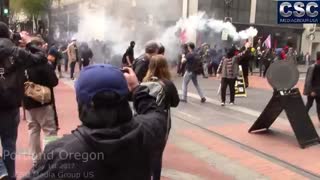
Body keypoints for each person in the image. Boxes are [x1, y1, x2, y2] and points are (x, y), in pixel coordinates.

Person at [22, 65, 167, 180]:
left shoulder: (61, 153)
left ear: (81, 102)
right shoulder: (148, 131)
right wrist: (136, 88)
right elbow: (156, 113)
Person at [0, 21, 48, 180]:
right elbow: (41, 58)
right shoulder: (16, 51)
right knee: (9, 142)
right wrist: (29, 43)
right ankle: (10, 175)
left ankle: (2, 172)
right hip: (11, 104)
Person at [23, 37, 59, 166]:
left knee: (33, 130)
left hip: (28, 101)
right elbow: (54, 81)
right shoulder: (43, 63)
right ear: (38, 46)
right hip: (43, 101)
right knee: (49, 130)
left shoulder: (23, 61)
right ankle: (49, 160)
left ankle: (36, 160)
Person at [143, 55, 180, 180]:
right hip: (162, 121)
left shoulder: (144, 82)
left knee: (145, 153)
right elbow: (175, 102)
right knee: (157, 154)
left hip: (143, 121)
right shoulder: (168, 84)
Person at [304, 52, 320, 124]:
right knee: (309, 104)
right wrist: (311, 90)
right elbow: (309, 80)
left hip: (317, 90)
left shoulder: (313, 66)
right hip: (313, 90)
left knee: (318, 106)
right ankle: (302, 118)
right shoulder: (313, 67)